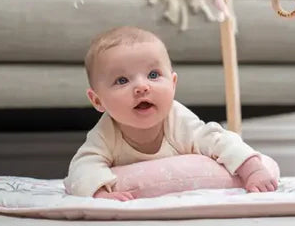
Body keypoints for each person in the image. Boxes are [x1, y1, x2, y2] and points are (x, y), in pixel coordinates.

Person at [64, 26, 279, 200]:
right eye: (122, 80)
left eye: (153, 75)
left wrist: (253, 171)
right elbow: (82, 167)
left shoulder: (178, 120)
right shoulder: (104, 134)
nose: (142, 87)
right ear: (97, 100)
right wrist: (100, 194)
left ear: (173, 84)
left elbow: (219, 141)